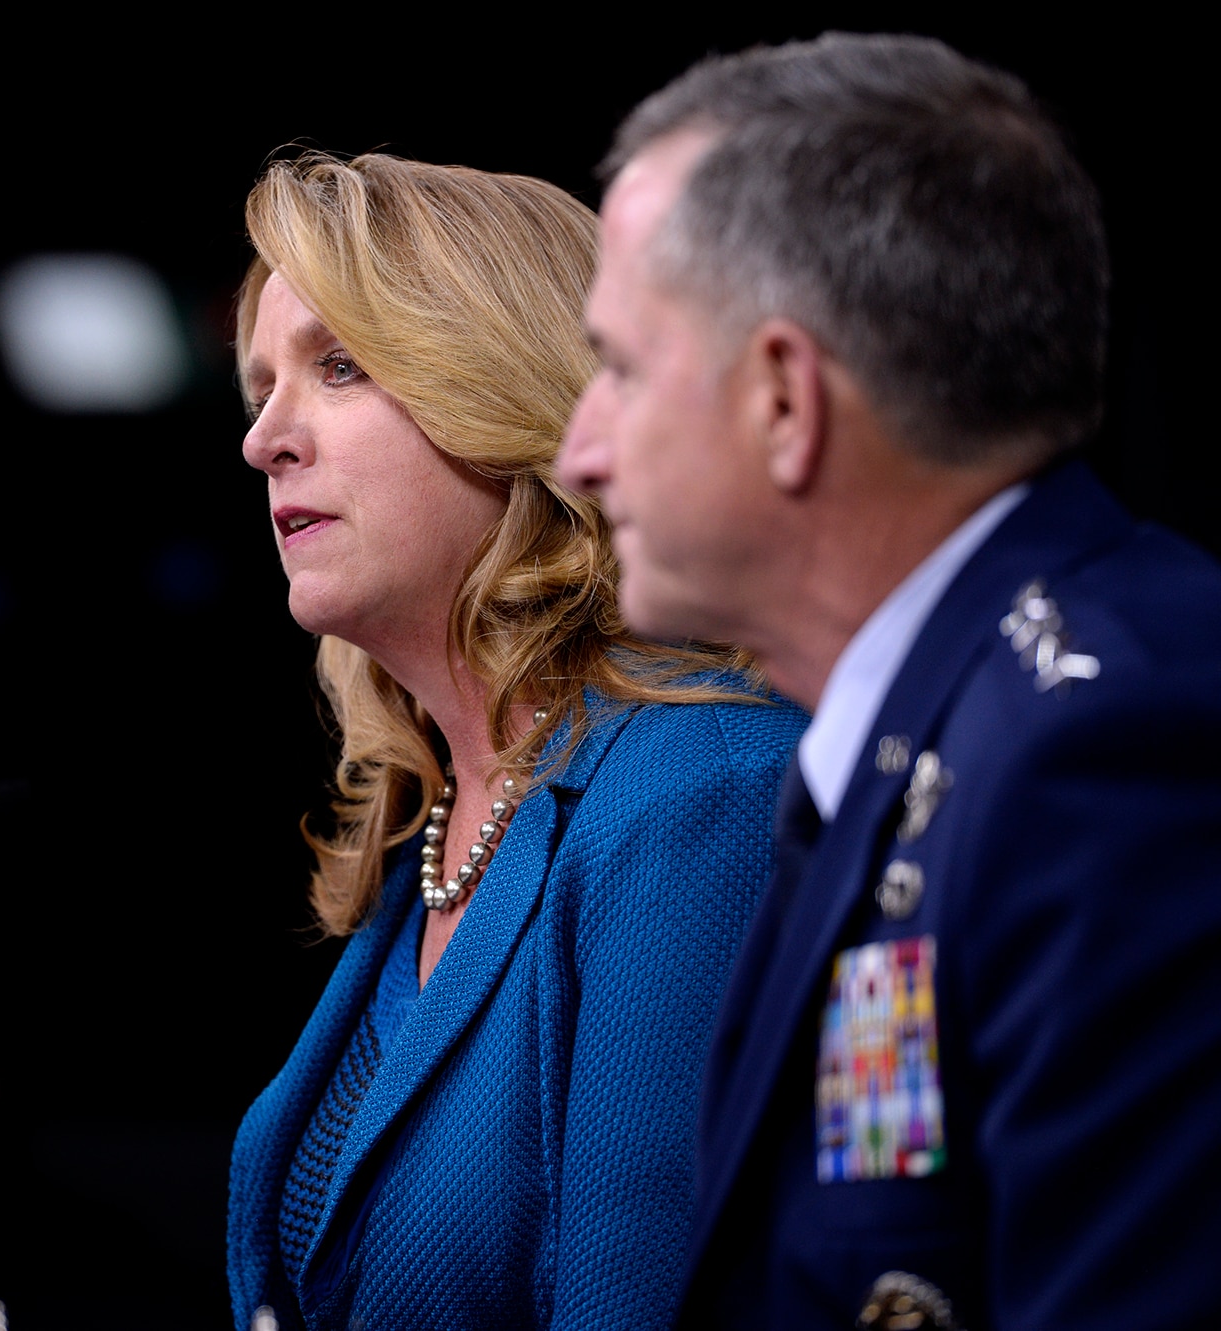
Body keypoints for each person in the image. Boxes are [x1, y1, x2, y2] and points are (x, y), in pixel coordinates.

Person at [558, 33, 1221, 1330]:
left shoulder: (1102, 750)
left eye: (622, 368)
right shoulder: (930, 726)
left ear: (784, 402)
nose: (579, 446)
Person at [225, 152, 806, 1331]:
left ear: (512, 392)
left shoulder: (702, 796)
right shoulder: (442, 822)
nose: (264, 440)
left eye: (338, 366)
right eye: (257, 390)